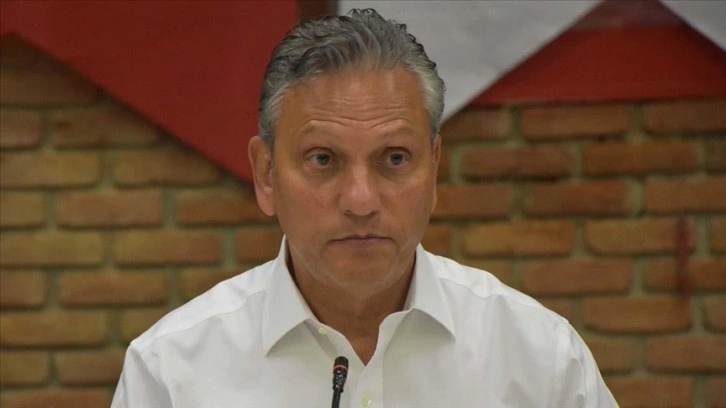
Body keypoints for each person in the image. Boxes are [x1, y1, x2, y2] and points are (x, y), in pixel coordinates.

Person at [112, 9, 618, 408]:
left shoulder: (539, 357)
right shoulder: (171, 371)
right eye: (323, 159)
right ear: (266, 174)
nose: (360, 201)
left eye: (394, 159)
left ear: (434, 169)